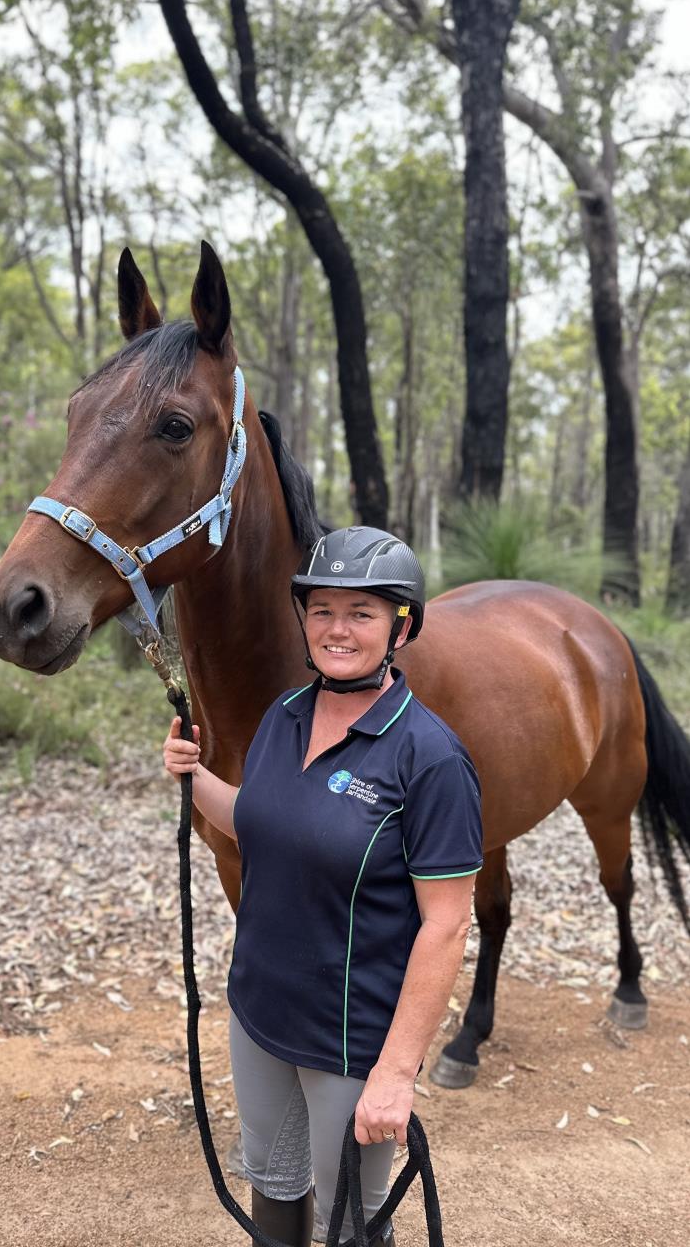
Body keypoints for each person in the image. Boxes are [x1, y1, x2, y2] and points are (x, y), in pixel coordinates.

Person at [162, 527, 483, 1247]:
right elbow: (259, 821)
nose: (338, 630)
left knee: (351, 1218)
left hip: (350, 1041)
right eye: (322, 610)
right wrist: (193, 778)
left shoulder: (429, 759)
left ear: (401, 626)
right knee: (272, 1190)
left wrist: (397, 1074)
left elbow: (446, 926)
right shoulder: (284, 717)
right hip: (258, 1012)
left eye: (362, 613)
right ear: (303, 619)